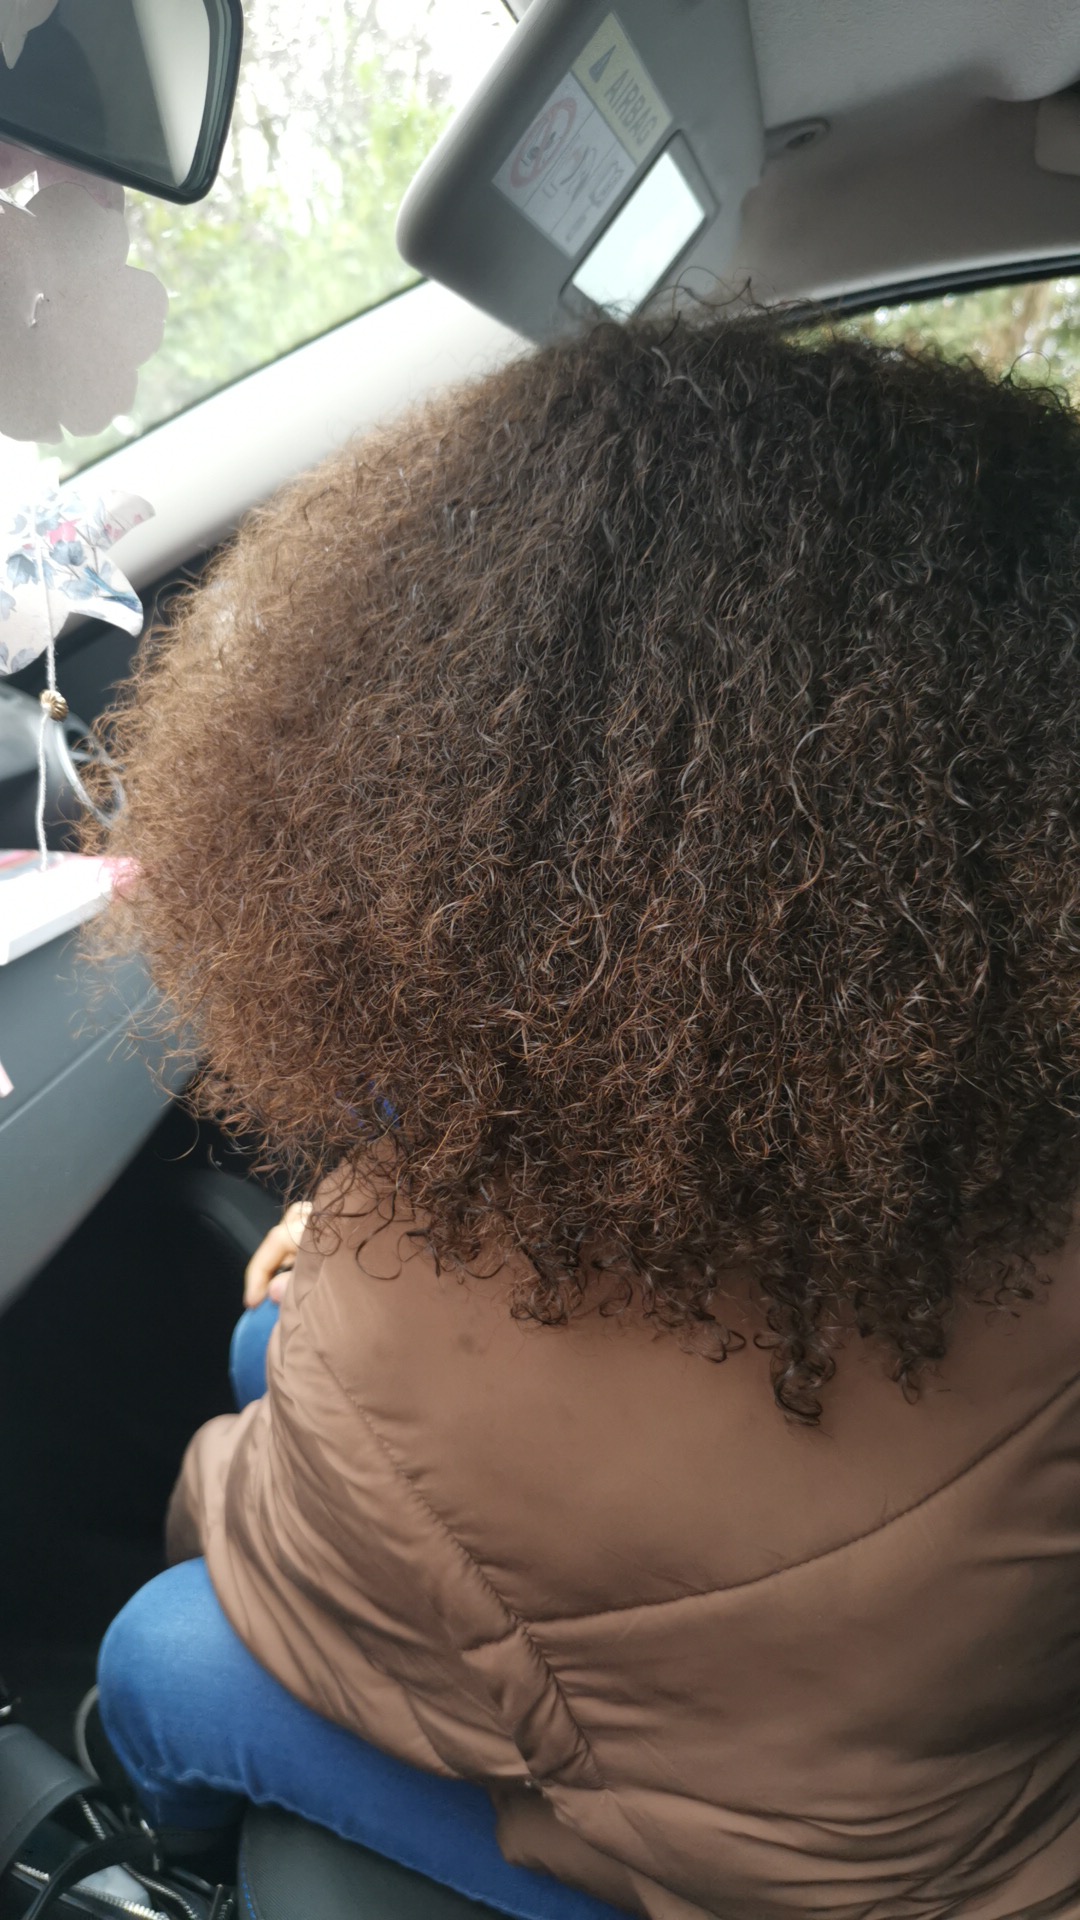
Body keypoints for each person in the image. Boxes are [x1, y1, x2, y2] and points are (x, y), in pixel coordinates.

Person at [90, 313, 1080, 1920]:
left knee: (167, 1650)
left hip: (812, 1886)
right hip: (987, 1818)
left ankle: (158, 1870)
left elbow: (265, 1542)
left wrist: (298, 1349)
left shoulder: (424, 1314)